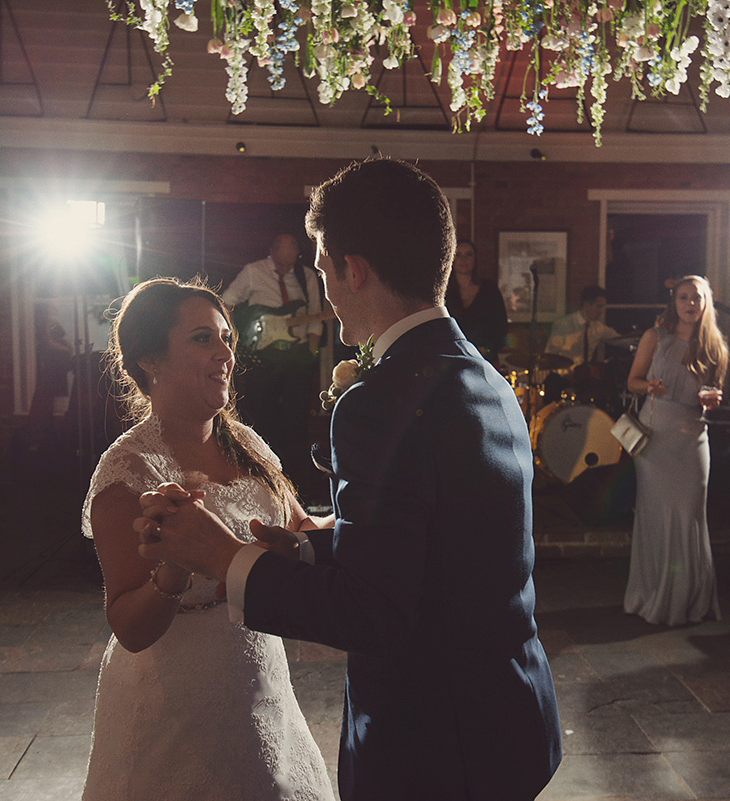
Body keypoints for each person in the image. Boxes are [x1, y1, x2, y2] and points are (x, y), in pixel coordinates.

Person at [136, 158, 562, 801]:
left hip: (433, 745)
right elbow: (444, 541)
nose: (324, 286)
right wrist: (311, 545)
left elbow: (375, 614)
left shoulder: (380, 400)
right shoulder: (483, 375)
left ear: (353, 269)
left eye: (324, 266)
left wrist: (222, 556)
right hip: (507, 714)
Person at [79, 277, 335, 801]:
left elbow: (298, 533)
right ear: (150, 360)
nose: (225, 353)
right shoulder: (127, 473)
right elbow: (129, 626)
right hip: (174, 702)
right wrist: (173, 571)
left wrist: (367, 505)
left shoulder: (247, 445)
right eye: (202, 338)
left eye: (226, 338)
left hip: (260, 681)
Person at [624, 275, 730, 626]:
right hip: (656, 434)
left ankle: (689, 599)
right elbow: (632, 380)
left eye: (696, 298)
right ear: (674, 302)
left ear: (705, 304)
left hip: (692, 435)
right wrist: (649, 386)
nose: (689, 304)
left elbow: (715, 394)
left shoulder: (715, 346)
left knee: (690, 515)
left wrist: (715, 401)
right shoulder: (654, 337)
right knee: (657, 515)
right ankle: (653, 594)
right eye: (683, 297)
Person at [222, 233, 325, 486]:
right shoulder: (253, 272)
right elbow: (226, 301)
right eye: (280, 263)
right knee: (260, 417)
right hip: (262, 357)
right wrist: (242, 332)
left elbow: (316, 316)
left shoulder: (306, 276)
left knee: (296, 420)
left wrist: (311, 355)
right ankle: (261, 477)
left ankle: (297, 481)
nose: (285, 268)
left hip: (296, 356)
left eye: (290, 263)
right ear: (272, 250)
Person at [445, 239, 508, 366]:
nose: (463, 259)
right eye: (458, 254)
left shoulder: (489, 289)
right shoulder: (444, 291)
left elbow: (501, 326)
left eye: (469, 254)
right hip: (451, 361)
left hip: (485, 360)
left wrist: (487, 349)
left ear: (475, 259)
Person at [546, 285, 621, 367]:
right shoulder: (564, 324)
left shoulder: (599, 328)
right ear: (586, 306)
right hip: (563, 374)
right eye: (599, 306)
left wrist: (635, 341)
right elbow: (550, 355)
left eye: (603, 307)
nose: (602, 311)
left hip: (585, 375)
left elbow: (620, 340)